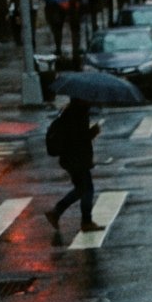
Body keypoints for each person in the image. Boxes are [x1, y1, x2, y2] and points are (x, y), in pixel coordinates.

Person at [45, 98, 103, 232]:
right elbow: (77, 139)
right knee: (86, 189)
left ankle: (56, 213)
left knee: (81, 189)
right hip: (75, 159)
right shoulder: (77, 113)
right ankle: (84, 221)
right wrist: (93, 132)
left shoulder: (71, 110)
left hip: (73, 158)